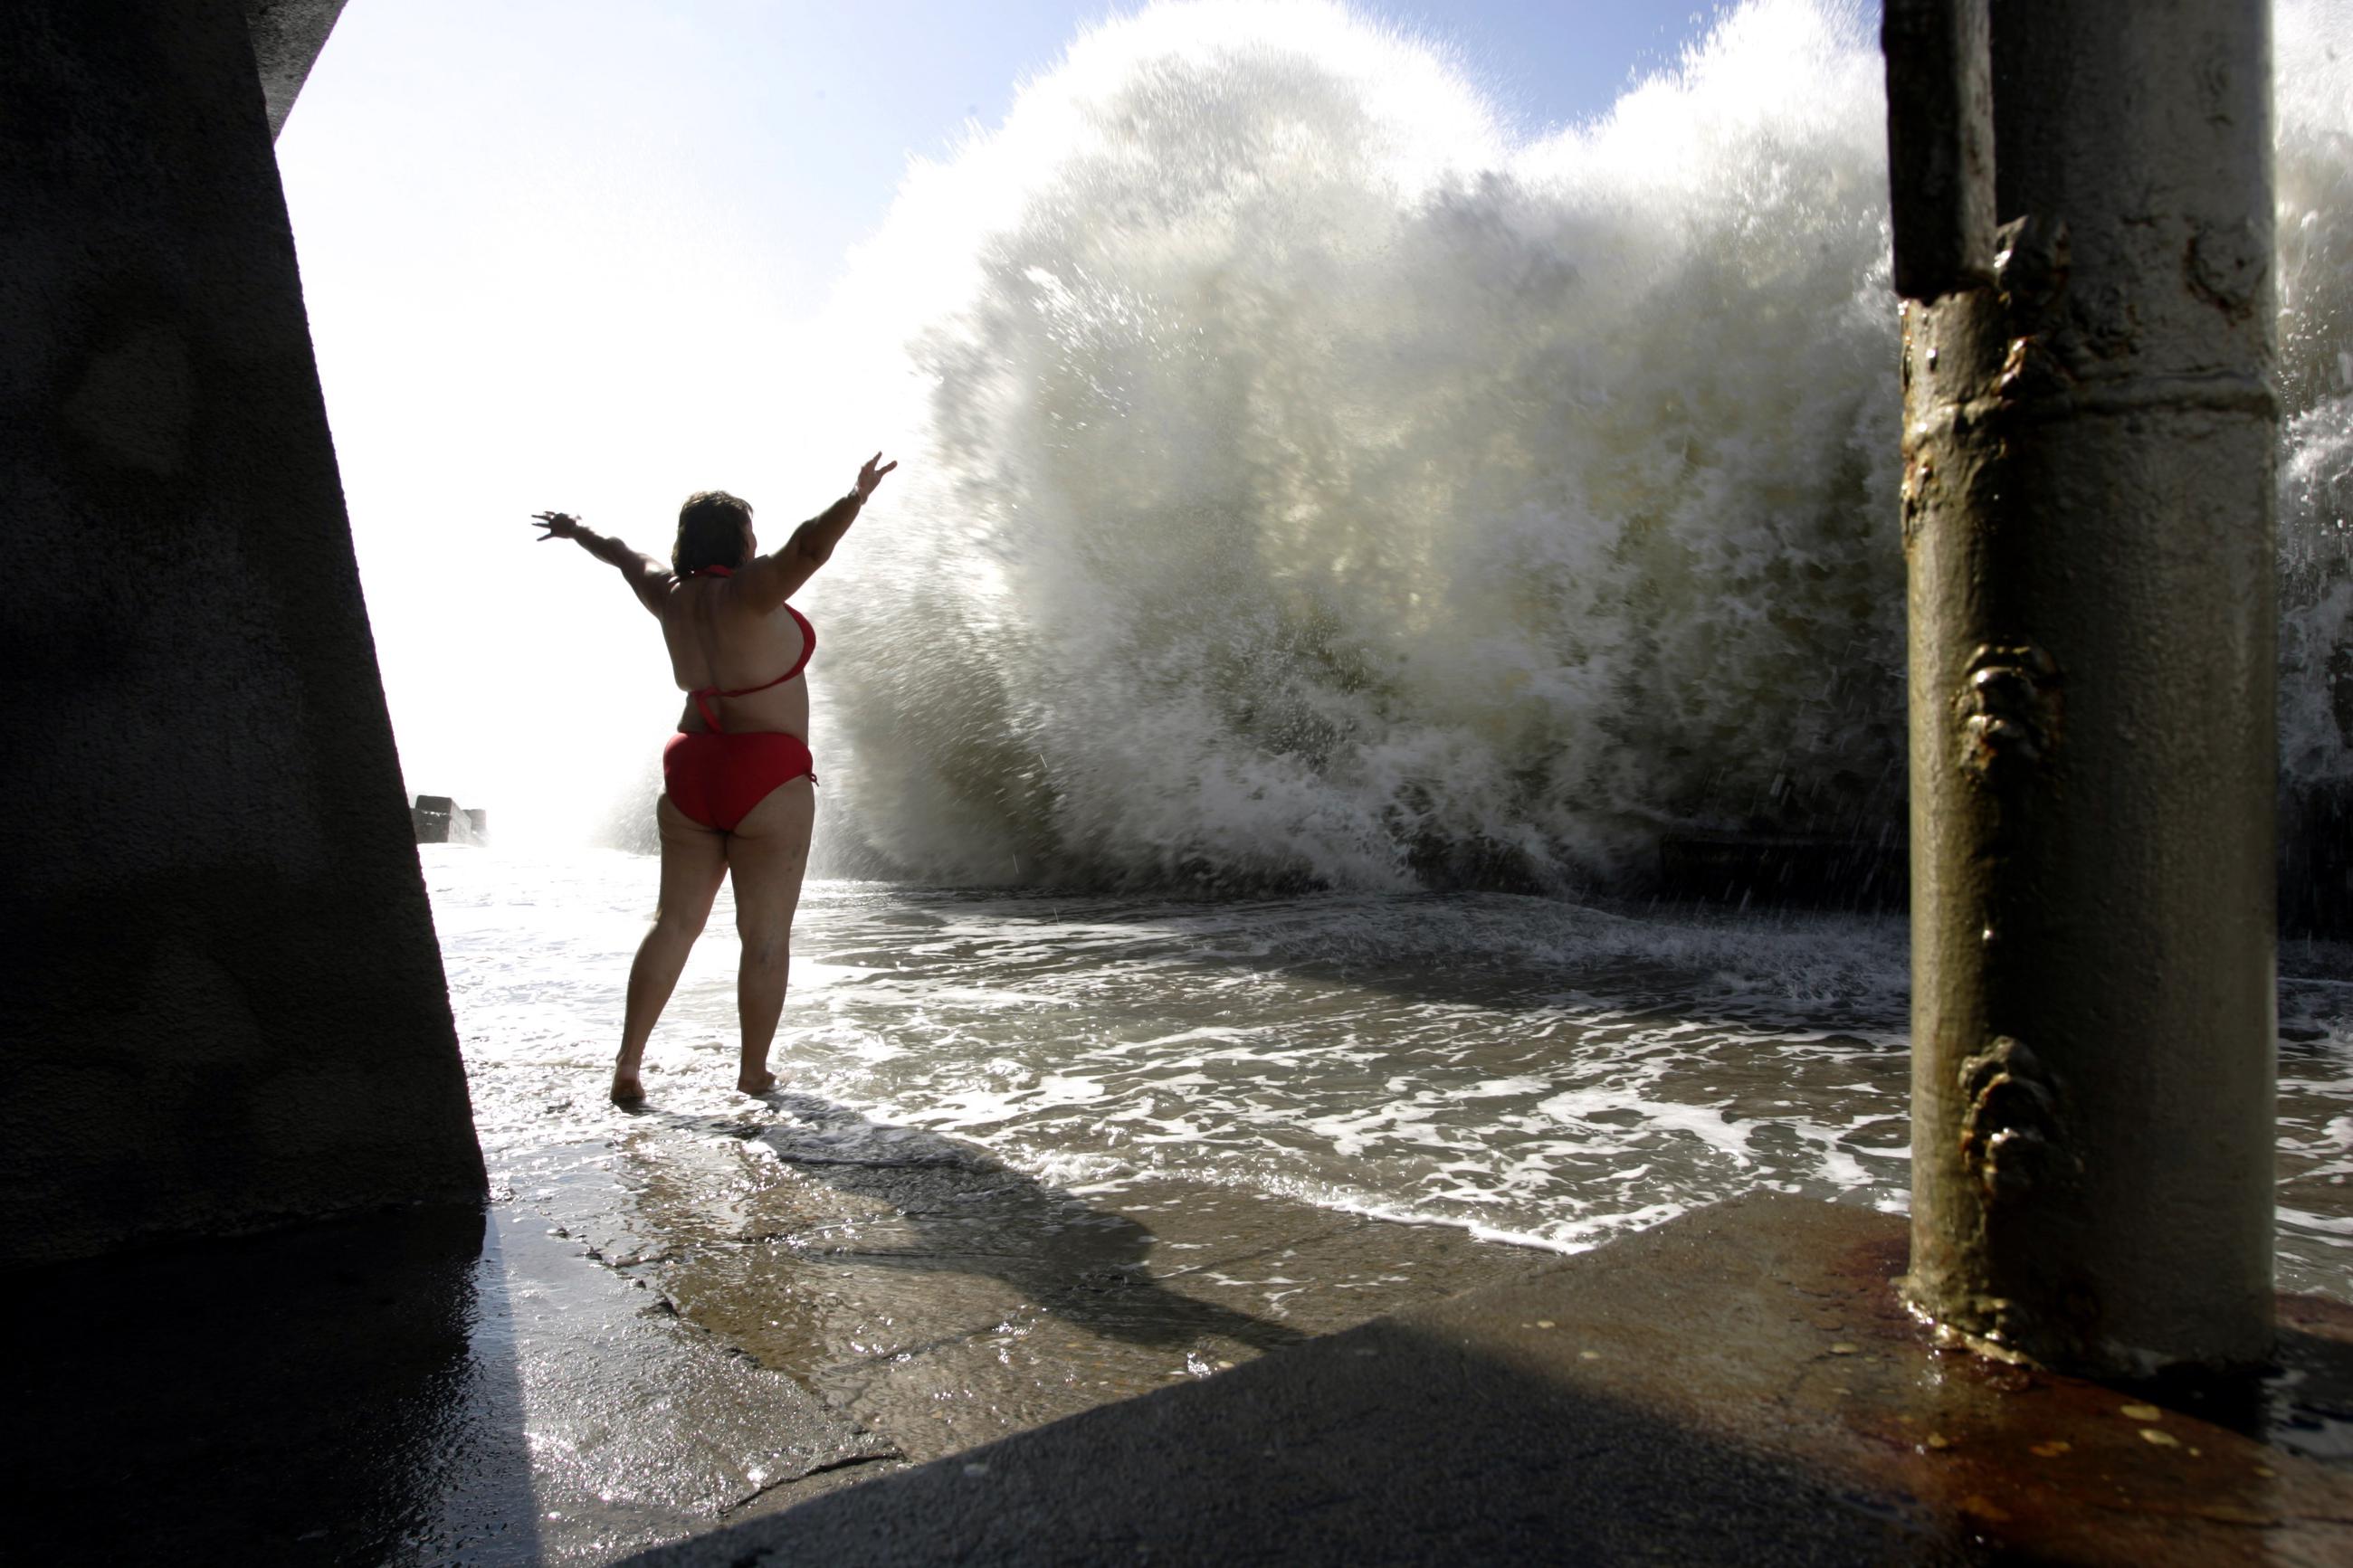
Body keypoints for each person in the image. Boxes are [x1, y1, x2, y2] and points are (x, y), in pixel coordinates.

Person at [532, 453, 897, 1106]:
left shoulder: (667, 593)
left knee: (674, 922)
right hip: (767, 772)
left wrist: (573, 528)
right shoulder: (750, 589)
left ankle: (628, 1063)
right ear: (741, 542)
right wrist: (856, 494)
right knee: (762, 933)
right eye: (751, 534)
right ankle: (753, 1072)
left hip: (691, 764)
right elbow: (811, 545)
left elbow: (619, 552)